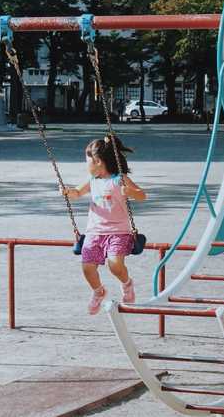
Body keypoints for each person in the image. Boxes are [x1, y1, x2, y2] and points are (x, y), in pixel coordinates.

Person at [61, 134, 146, 314]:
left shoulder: (119, 179)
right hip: (94, 233)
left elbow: (142, 195)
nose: (86, 166)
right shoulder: (93, 181)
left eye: (87, 161)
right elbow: (77, 192)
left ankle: (127, 283)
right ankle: (98, 292)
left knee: (115, 265)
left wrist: (129, 191)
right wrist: (68, 192)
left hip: (118, 232)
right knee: (87, 267)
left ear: (98, 161)